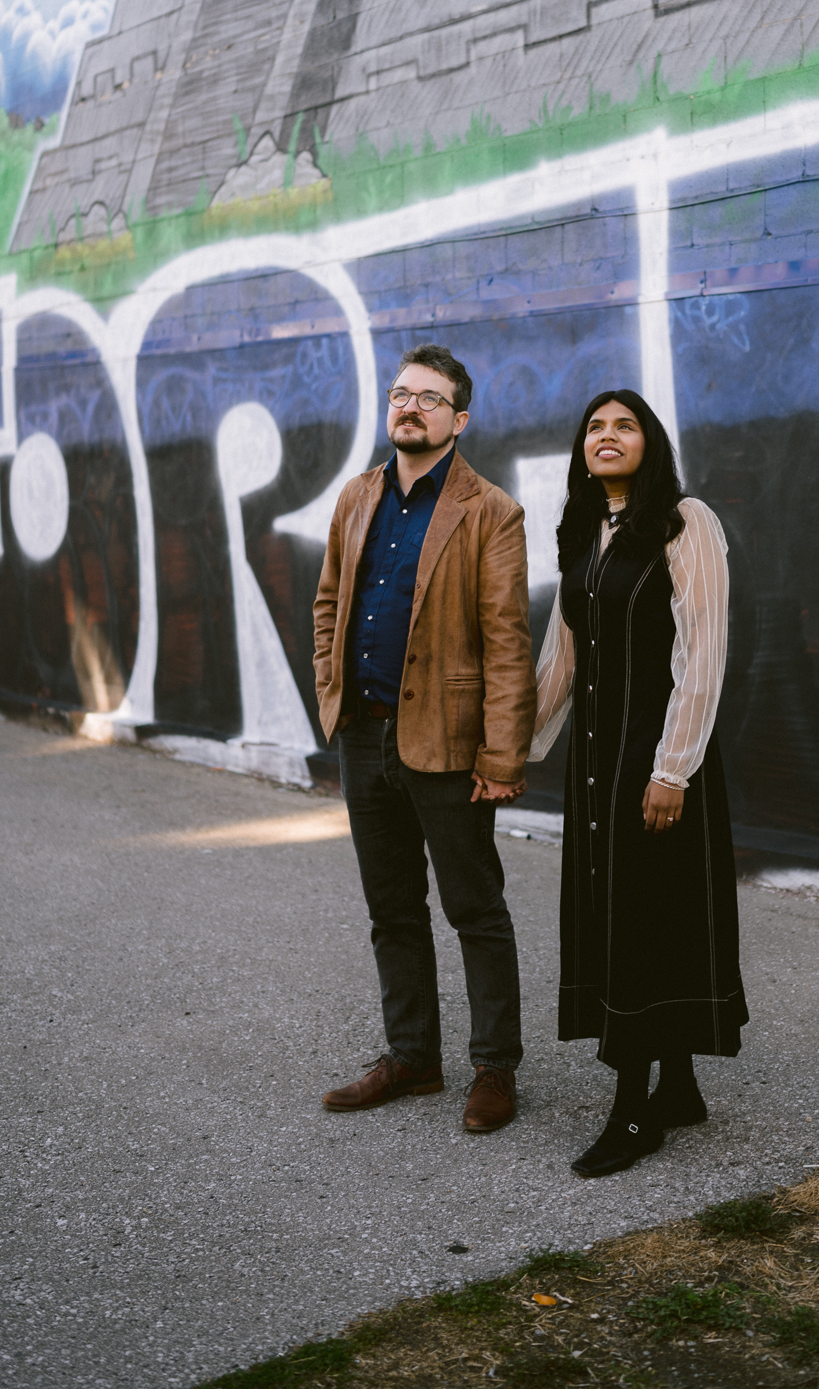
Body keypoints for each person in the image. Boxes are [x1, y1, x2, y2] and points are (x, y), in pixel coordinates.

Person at [313, 344, 536, 1133]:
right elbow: (329, 604)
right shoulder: (355, 497)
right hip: (363, 737)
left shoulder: (491, 511)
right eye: (401, 394)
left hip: (447, 743)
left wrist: (503, 756)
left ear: (459, 419)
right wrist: (330, 693)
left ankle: (494, 1069)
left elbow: (509, 643)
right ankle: (411, 1058)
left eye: (429, 399)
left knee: (475, 907)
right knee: (392, 910)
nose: (409, 407)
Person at [529, 388, 747, 1176]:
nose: (607, 436)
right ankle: (678, 1088)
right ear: (582, 450)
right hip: (597, 764)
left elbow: (703, 656)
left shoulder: (687, 523)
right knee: (628, 919)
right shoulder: (588, 533)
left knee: (644, 925)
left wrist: (672, 768)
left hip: (656, 765)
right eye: (595, 427)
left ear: (649, 443)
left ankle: (631, 1114)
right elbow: (562, 658)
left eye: (624, 425)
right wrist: (510, 751)